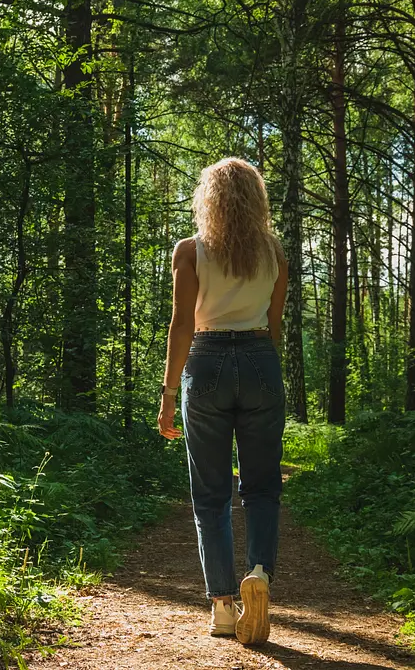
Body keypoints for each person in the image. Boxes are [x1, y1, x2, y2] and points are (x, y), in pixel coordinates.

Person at [157, 157, 287, 646]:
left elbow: (182, 325)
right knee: (262, 486)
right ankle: (259, 573)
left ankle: (223, 607)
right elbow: (274, 326)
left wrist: (169, 395)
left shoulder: (190, 251)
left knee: (211, 494)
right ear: (256, 200)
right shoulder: (274, 252)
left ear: (208, 200)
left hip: (206, 361)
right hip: (259, 358)